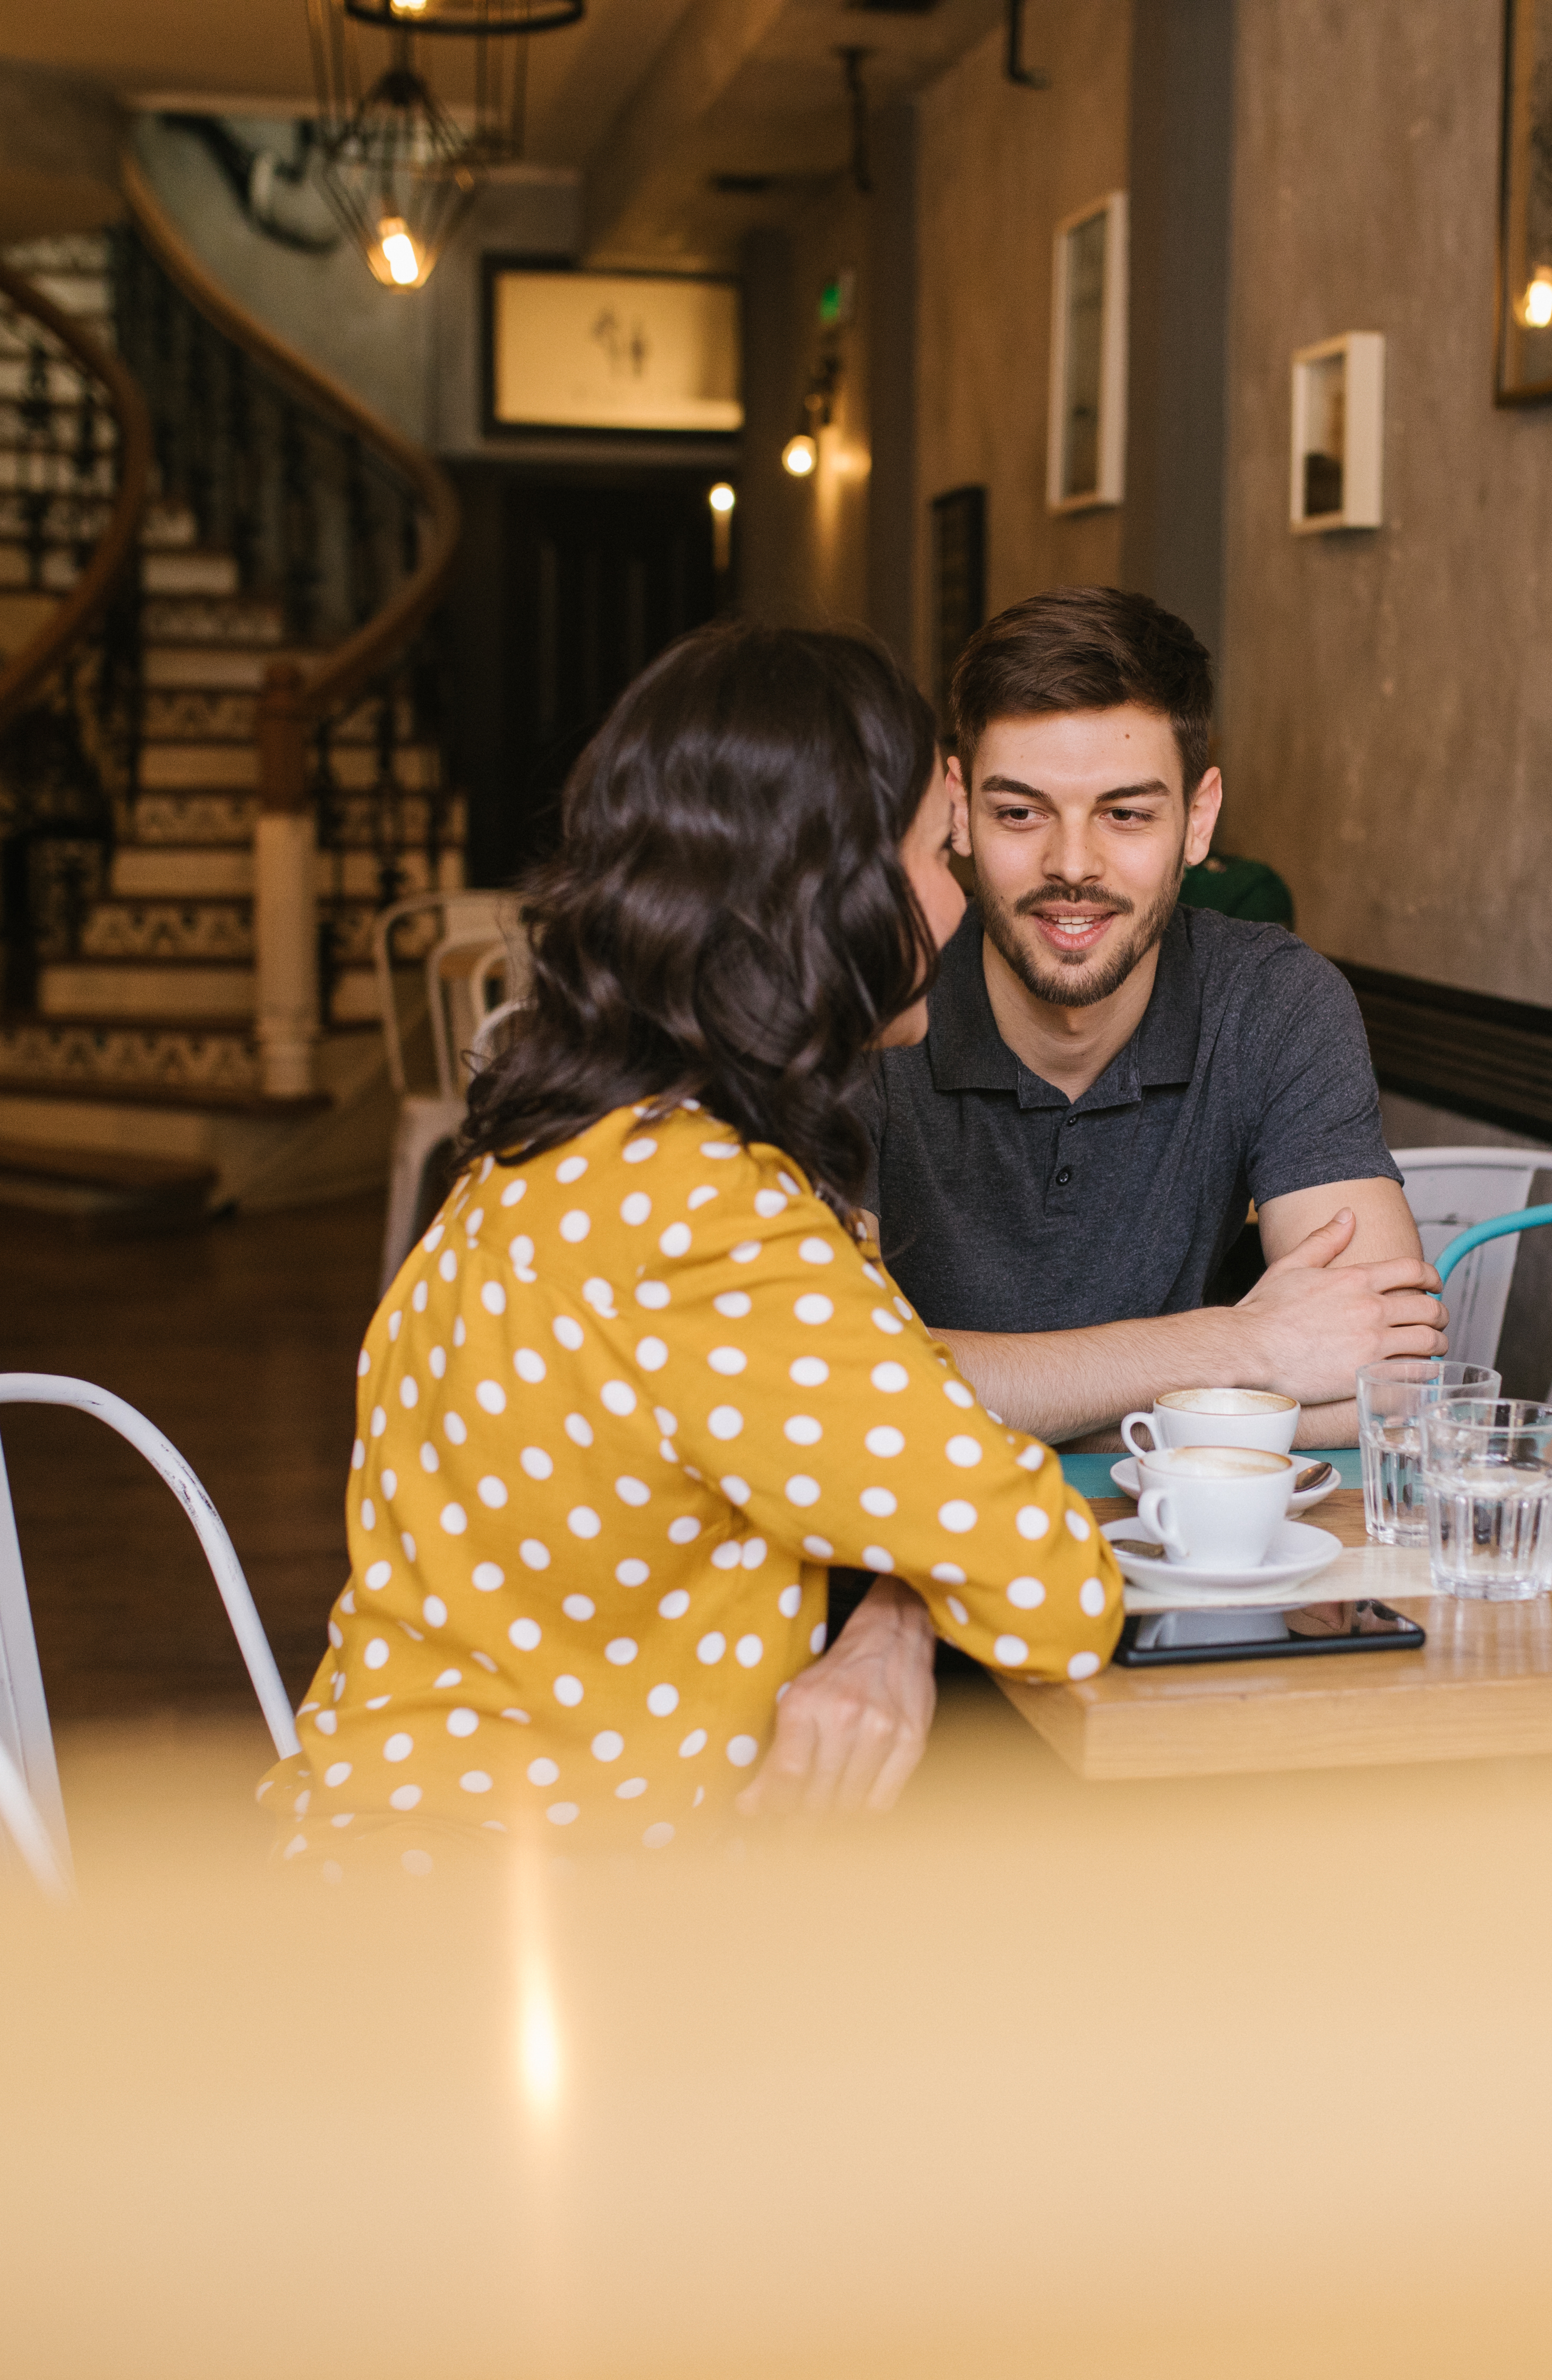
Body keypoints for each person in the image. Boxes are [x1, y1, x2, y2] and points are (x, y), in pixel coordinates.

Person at [264, 624, 1123, 1872]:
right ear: (827, 891)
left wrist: (891, 1612)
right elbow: (1055, 1587)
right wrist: (913, 1600)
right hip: (532, 1925)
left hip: (382, 1842)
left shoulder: (561, 1145)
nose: (974, 888)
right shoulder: (710, 1225)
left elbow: (891, 1469)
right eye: (943, 850)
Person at [872, 586, 1443, 1447]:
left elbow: (1390, 1386)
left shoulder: (1273, 999)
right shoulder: (877, 1001)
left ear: (1199, 817)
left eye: (1127, 814)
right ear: (959, 808)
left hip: (1202, 1560)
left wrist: (1010, 1405)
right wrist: (1243, 1345)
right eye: (1020, 813)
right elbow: (837, 1379)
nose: (1072, 866)